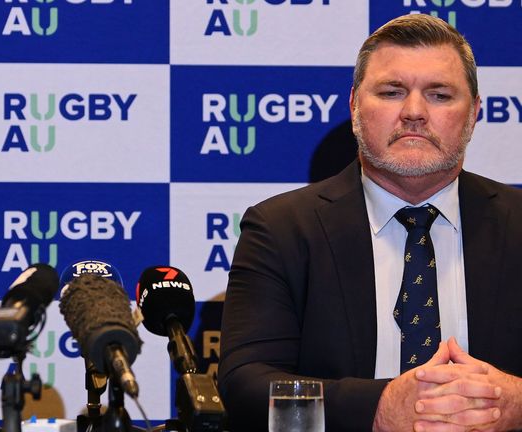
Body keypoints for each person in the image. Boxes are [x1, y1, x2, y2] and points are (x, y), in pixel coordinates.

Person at [219, 14, 522, 432]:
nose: (414, 112)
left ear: (473, 114)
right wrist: (378, 407)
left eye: (439, 95)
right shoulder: (281, 229)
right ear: (355, 107)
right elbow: (247, 388)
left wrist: (516, 403)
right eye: (392, 92)